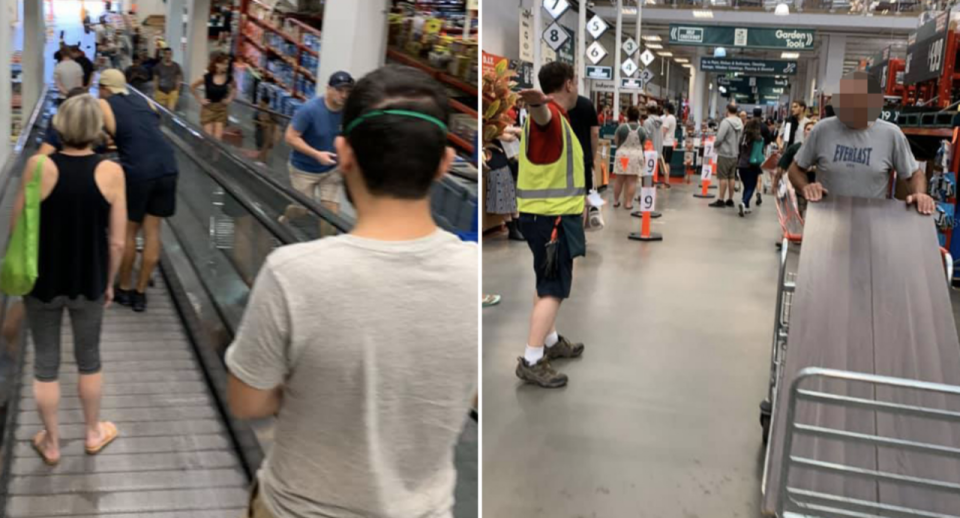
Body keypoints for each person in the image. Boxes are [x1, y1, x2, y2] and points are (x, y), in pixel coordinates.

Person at [225, 64, 476, 518]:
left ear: (344, 153)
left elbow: (247, 400)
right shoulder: (476, 279)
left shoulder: (292, 275)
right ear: (444, 164)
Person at [16, 94, 127, 466]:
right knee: (89, 360)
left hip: (42, 281)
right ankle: (93, 432)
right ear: (96, 129)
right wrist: (109, 282)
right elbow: (117, 241)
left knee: (45, 364)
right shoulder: (112, 172)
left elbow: (19, 225)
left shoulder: (37, 165)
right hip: (89, 279)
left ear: (60, 125)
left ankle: (51, 442)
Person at [513, 62, 587, 389]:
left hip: (542, 216)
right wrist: (536, 104)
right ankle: (531, 359)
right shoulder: (550, 117)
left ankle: (551, 339)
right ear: (569, 84)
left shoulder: (559, 120)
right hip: (551, 219)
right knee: (553, 288)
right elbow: (541, 116)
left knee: (546, 281)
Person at [789, 71, 934, 215]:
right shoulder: (822, 130)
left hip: (870, 222)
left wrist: (919, 194)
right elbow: (795, 169)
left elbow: (914, 174)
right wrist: (805, 187)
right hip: (826, 218)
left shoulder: (891, 135)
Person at [97, 69, 180, 312]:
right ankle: (140, 293)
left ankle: (123, 288)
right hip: (168, 166)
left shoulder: (103, 103)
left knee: (129, 231)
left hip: (139, 170)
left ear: (105, 88)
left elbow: (103, 137)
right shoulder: (144, 100)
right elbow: (150, 125)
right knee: (153, 231)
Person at [282, 71, 355, 225]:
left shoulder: (347, 112)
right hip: (304, 169)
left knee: (331, 214)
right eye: (339, 90)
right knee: (302, 209)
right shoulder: (309, 110)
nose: (344, 95)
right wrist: (316, 154)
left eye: (348, 91)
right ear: (328, 88)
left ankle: (327, 245)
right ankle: (286, 219)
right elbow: (290, 137)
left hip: (331, 169)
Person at [190, 52, 235, 140]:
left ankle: (215, 154)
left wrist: (229, 99)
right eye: (224, 64)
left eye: (227, 64)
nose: (226, 66)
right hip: (208, 109)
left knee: (218, 139)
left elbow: (234, 88)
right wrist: (200, 100)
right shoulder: (207, 77)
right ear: (217, 64)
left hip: (221, 110)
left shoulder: (228, 77)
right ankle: (206, 153)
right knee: (209, 138)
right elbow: (192, 87)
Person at [612, 106, 647, 210]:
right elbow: (643, 144)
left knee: (619, 181)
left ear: (628, 115)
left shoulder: (621, 128)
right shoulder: (642, 130)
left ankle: (615, 201)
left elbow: (616, 140)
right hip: (635, 157)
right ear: (638, 116)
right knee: (632, 181)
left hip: (622, 156)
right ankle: (628, 203)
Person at [710, 104, 744, 208]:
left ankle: (720, 200)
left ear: (727, 110)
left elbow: (719, 138)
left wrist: (715, 145)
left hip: (724, 153)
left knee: (723, 177)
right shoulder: (740, 122)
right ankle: (730, 199)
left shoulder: (725, 122)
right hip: (735, 154)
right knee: (732, 177)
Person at [567, 95, 600, 195]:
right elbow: (595, 133)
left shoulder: (555, 103)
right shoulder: (587, 104)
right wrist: (593, 157)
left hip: (563, 157)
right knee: (585, 193)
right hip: (584, 157)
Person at [737, 116, 764, 217]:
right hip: (752, 165)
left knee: (746, 186)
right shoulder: (758, 139)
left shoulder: (743, 137)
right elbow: (760, 152)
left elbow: (739, 151)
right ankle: (744, 202)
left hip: (741, 165)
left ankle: (746, 206)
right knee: (751, 187)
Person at [643, 102, 665, 188]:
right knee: (654, 173)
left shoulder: (647, 122)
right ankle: (651, 193)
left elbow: (646, 137)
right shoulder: (660, 121)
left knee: (647, 173)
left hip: (649, 150)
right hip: (658, 150)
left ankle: (646, 194)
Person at [254, 93, 281, 163]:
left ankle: (262, 161)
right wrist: (261, 123)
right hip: (259, 131)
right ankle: (260, 160)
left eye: (261, 101)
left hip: (267, 132)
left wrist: (276, 134)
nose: (260, 103)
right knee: (260, 146)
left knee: (265, 146)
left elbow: (276, 123)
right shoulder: (258, 110)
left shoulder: (270, 111)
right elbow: (254, 120)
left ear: (264, 102)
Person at [662, 103, 678, 178]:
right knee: (667, 163)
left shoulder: (668, 118)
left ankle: (666, 182)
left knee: (665, 163)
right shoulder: (673, 118)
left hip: (666, 143)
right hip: (670, 143)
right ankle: (667, 182)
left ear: (667, 110)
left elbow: (663, 131)